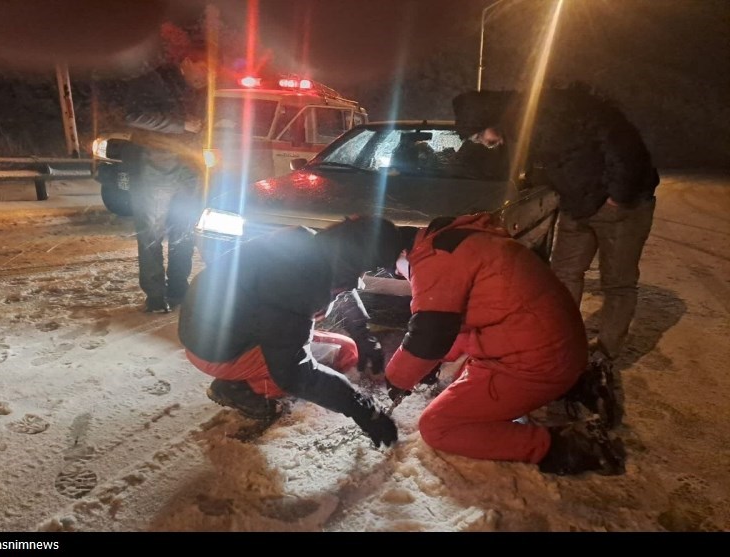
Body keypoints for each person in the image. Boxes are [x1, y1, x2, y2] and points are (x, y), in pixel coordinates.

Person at [384, 214, 625, 476]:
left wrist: (397, 379)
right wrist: (429, 363)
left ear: (401, 254)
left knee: (438, 426)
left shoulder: (435, 261)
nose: (399, 275)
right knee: (460, 374)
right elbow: (457, 327)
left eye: (395, 270)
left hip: (538, 362)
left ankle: (568, 446)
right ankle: (579, 385)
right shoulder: (455, 240)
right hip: (556, 346)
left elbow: (430, 337)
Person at [452, 84, 660, 362]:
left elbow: (624, 144)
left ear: (489, 119)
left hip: (622, 206)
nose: (484, 142)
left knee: (618, 282)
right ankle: (561, 337)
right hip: (577, 205)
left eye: (479, 135)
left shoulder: (558, 111)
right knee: (563, 273)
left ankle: (605, 351)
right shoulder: (521, 125)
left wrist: (618, 197)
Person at [177, 215, 403, 448]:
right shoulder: (294, 281)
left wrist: (362, 334)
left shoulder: (316, 247)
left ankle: (248, 376)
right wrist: (361, 408)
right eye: (361, 270)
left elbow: (341, 292)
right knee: (287, 380)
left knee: (345, 351)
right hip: (216, 349)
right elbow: (293, 372)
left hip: (240, 328)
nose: (359, 281)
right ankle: (236, 388)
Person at [122, 31, 208, 313]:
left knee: (184, 231)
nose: (206, 77)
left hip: (188, 170)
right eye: (203, 69)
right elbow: (133, 116)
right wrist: (180, 124)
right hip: (153, 168)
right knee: (151, 233)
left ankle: (179, 290)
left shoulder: (202, 93)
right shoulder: (154, 81)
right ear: (186, 62)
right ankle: (155, 296)